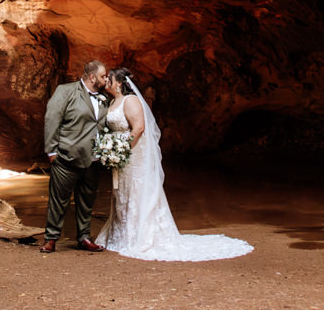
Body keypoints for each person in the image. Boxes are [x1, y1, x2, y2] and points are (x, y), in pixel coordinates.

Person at [95, 67, 253, 261]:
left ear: (119, 83)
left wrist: (122, 150)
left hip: (132, 155)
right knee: (122, 192)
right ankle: (122, 234)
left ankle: (140, 237)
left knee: (136, 191)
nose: (106, 82)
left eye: (109, 79)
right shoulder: (112, 102)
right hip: (121, 157)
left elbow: (139, 127)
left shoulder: (131, 101)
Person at [40, 59, 110, 253]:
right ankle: (51, 238)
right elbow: (52, 118)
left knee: (87, 200)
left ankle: (84, 237)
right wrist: (52, 151)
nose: (106, 79)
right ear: (92, 77)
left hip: (94, 159)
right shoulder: (66, 91)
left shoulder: (105, 98)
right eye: (103, 76)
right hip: (66, 156)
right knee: (58, 199)